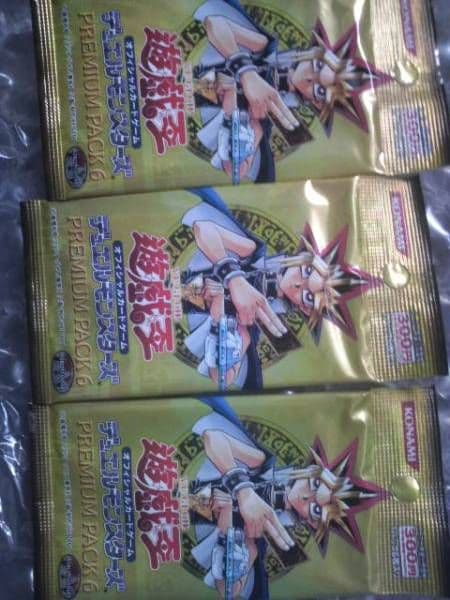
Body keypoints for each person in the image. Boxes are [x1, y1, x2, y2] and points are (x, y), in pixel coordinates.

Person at [188, 397, 386, 599]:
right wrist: (243, 491)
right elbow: (212, 436)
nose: (306, 496)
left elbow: (228, 592)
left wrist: (228, 538)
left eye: (315, 508)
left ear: (313, 522)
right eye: (314, 484)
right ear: (309, 472)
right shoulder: (259, 464)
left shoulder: (255, 537)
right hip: (175, 490)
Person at [181, 188, 377, 389]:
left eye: (308, 296)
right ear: (301, 259)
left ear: (305, 308)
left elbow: (223, 378)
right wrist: (233, 278)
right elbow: (202, 227)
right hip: (167, 279)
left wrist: (218, 324)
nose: (298, 283)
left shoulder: (248, 323)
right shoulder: (249, 253)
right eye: (306, 272)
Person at [192, 0, 389, 182]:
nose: (310, 78)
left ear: (317, 102)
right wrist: (247, 73)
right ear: (311, 54)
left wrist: (234, 122)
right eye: (318, 66)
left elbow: (236, 169)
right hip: (181, 76)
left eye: (320, 90)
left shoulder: (267, 116)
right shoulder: (263, 49)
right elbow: (214, 22)